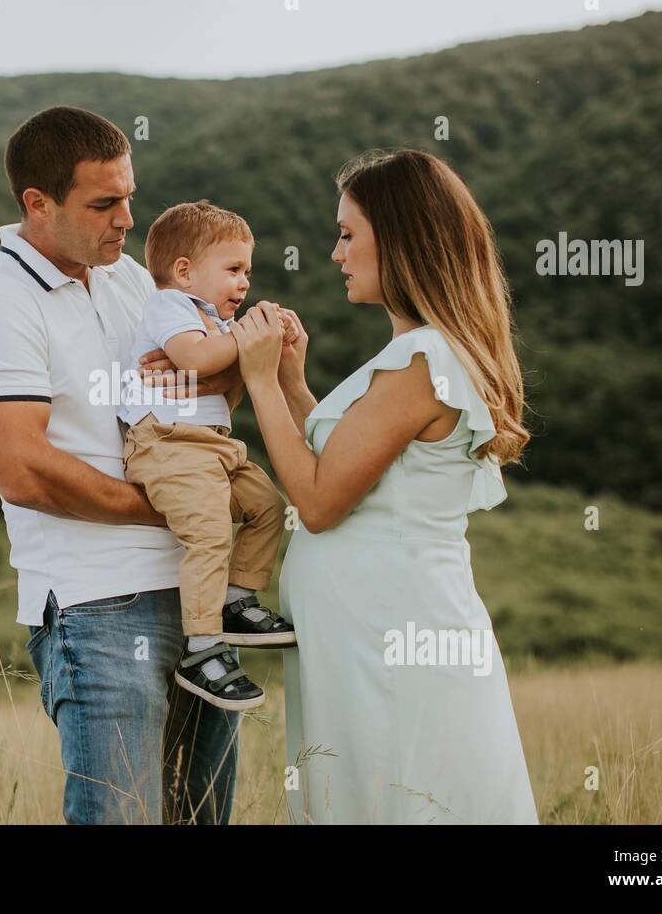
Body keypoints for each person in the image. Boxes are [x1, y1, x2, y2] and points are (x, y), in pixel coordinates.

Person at [0, 106, 242, 824]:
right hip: (99, 608)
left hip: (195, 592)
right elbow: (23, 470)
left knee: (201, 818)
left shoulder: (132, 280)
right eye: (104, 203)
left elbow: (208, 384)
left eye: (129, 197)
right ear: (38, 204)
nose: (126, 219)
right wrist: (174, 506)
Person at [230, 149, 539, 824]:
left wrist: (256, 383)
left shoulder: (422, 362)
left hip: (392, 640)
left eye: (348, 234)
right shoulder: (417, 356)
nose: (336, 252)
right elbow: (353, 466)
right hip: (367, 634)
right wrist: (291, 383)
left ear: (398, 240)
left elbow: (317, 501)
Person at [118, 201, 296, 712]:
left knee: (266, 504)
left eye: (248, 272)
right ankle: (201, 646)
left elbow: (226, 385)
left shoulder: (217, 323)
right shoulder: (171, 306)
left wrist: (255, 347)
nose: (244, 284)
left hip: (213, 447)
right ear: (184, 271)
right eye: (234, 270)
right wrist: (249, 338)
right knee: (210, 530)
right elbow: (195, 360)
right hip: (167, 444)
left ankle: (235, 598)